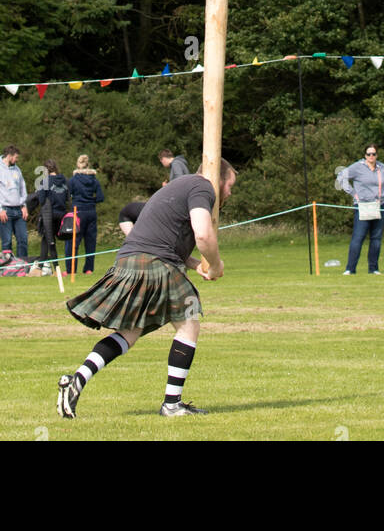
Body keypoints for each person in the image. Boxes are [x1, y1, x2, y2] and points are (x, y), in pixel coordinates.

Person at [58, 159, 235, 420]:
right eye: (230, 185)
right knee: (188, 323)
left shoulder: (178, 186)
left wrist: (196, 263)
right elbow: (203, 235)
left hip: (129, 260)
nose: (230, 192)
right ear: (220, 179)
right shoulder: (203, 187)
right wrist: (217, 264)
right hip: (154, 262)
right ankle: (172, 404)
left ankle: (75, 381)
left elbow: (163, 234)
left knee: (130, 331)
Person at [339, 145, 384, 275]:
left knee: (376, 238)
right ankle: (350, 269)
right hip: (363, 206)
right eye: (369, 154)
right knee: (358, 237)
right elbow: (341, 177)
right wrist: (353, 193)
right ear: (365, 155)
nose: (371, 156)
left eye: (374, 154)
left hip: (379, 205)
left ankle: (374, 268)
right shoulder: (357, 167)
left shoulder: (382, 168)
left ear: (377, 155)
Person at [0, 145, 29, 259]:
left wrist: (24, 205)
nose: (17, 160)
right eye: (15, 157)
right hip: (5, 210)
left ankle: (23, 265)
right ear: (9, 156)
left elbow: (22, 188)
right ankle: (8, 267)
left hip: (18, 210)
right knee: (7, 241)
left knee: (23, 239)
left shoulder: (17, 169)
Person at [67, 154, 104, 275]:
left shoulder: (73, 180)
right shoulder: (94, 180)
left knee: (73, 242)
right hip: (91, 212)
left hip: (77, 212)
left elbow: (67, 196)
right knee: (90, 242)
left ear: (78, 165)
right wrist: (91, 202)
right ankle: (89, 269)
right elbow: (100, 197)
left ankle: (71, 269)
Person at [26, 160, 69, 265]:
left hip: (49, 214)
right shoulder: (65, 180)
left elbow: (41, 200)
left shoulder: (45, 181)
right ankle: (41, 265)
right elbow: (67, 198)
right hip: (62, 214)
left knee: (49, 240)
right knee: (46, 238)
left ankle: (54, 266)